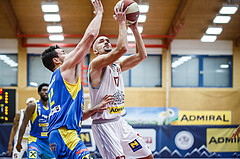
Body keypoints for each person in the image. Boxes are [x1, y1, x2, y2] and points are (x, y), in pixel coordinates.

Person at [40, 0, 109, 158]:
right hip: (65, 135)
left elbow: (78, 116)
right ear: (56, 61)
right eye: (63, 53)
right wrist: (99, 13)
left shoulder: (54, 84)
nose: (68, 54)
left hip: (57, 135)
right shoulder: (64, 70)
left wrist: (95, 108)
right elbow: (90, 36)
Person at [88, 4, 153, 159]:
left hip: (120, 122)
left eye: (107, 40)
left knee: (147, 156)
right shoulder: (96, 65)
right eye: (101, 41)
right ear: (95, 51)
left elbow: (142, 55)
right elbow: (122, 48)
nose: (106, 42)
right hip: (104, 124)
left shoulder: (117, 65)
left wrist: (135, 29)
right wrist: (122, 23)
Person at [16, 83, 55, 159]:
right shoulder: (33, 106)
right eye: (44, 90)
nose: (46, 92)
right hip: (35, 140)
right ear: (39, 92)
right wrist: (19, 142)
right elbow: (24, 124)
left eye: (48, 90)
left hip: (49, 141)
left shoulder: (53, 106)